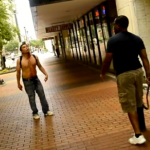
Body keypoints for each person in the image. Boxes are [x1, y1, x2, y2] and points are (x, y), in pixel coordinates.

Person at [101, 15, 150, 145]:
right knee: (138, 101)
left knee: (129, 104)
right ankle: (140, 129)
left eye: (114, 25)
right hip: (138, 72)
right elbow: (144, 57)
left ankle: (138, 135)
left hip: (124, 74)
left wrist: (103, 73)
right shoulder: (137, 39)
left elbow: (107, 60)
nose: (113, 27)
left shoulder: (113, 41)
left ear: (118, 25)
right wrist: (148, 74)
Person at [16, 44, 53, 119]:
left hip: (36, 79)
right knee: (31, 97)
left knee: (42, 95)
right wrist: (18, 83)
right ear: (21, 50)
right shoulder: (19, 60)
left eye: (26, 46)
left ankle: (46, 111)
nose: (26, 48)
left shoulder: (34, 57)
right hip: (27, 81)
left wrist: (46, 74)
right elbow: (18, 72)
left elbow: (40, 66)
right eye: (24, 47)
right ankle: (35, 113)